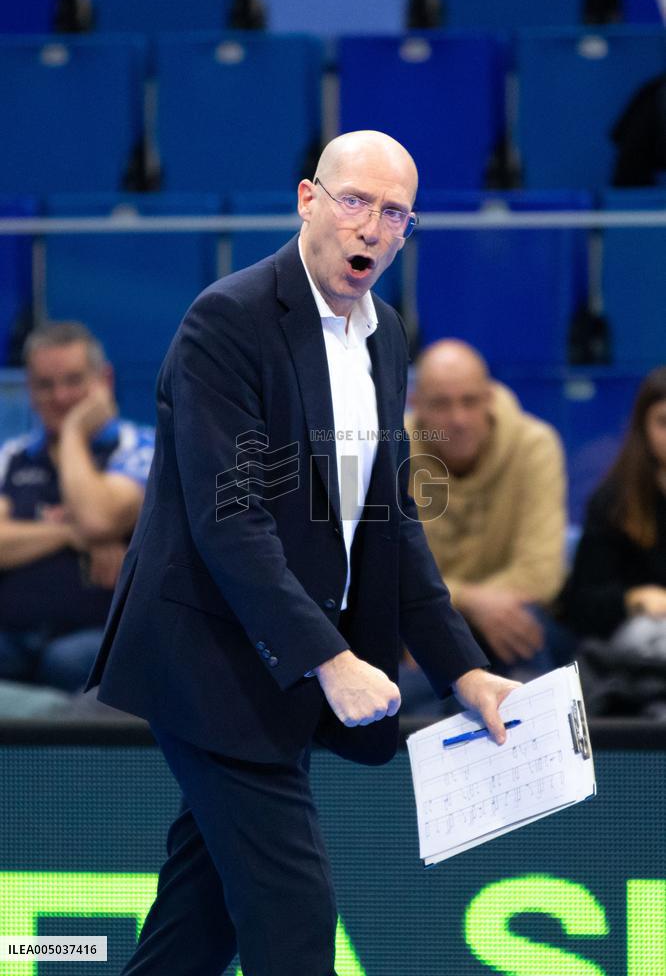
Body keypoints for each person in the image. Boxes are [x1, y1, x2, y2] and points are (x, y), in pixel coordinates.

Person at [86, 130, 519, 976]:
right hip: (208, 661)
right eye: (355, 201)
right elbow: (230, 520)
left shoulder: (387, 336)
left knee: (197, 929)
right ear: (308, 200)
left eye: (395, 214)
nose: (372, 228)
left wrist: (464, 670)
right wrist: (330, 658)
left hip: (278, 668)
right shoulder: (228, 321)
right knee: (294, 919)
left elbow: (392, 522)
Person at [0, 321, 154, 693]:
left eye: (73, 381)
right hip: (14, 636)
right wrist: (70, 533)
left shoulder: (138, 447)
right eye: (45, 385)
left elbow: (97, 518)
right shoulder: (13, 457)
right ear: (29, 389)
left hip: (98, 638)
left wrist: (72, 433)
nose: (60, 396)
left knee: (66, 661)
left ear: (104, 380)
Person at [407, 339, 570, 681]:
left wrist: (463, 606)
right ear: (415, 404)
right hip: (424, 621)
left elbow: (540, 574)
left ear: (490, 398)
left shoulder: (534, 445)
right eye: (441, 404)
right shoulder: (389, 453)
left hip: (508, 618)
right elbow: (381, 571)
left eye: (470, 401)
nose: (458, 419)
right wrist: (470, 602)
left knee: (525, 630)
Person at [560, 366, 666, 716]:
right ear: (643, 428)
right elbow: (580, 606)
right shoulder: (613, 503)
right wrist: (634, 599)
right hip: (632, 660)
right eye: (664, 422)